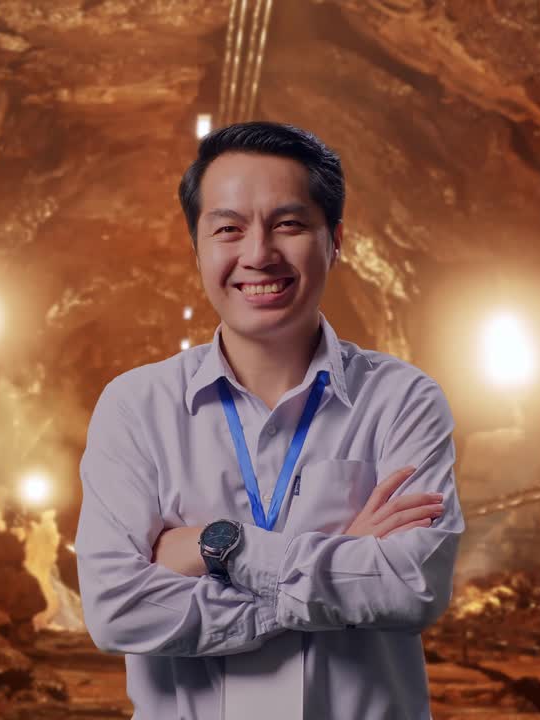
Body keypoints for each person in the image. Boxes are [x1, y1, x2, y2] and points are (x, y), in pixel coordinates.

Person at [76, 121, 464, 719]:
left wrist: (218, 547)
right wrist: (340, 563)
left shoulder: (402, 400)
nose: (258, 254)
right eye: (228, 229)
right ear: (197, 248)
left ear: (335, 240)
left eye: (288, 224)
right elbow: (115, 610)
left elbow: (412, 586)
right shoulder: (135, 407)